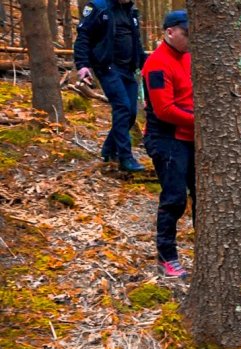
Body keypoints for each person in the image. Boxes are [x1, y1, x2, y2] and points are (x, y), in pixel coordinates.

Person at [141, 10, 194, 278]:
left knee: (204, 196)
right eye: (186, 33)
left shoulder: (190, 57)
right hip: (166, 137)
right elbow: (164, 110)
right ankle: (166, 256)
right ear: (170, 31)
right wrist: (202, 122)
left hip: (192, 135)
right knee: (174, 197)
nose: (189, 38)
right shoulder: (157, 64)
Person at [74, 0, 146, 172]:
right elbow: (83, 35)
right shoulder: (99, 7)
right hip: (108, 67)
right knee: (122, 107)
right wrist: (83, 65)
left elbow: (136, 41)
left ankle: (108, 149)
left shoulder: (130, 10)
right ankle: (125, 157)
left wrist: (144, 62)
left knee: (131, 113)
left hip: (129, 69)